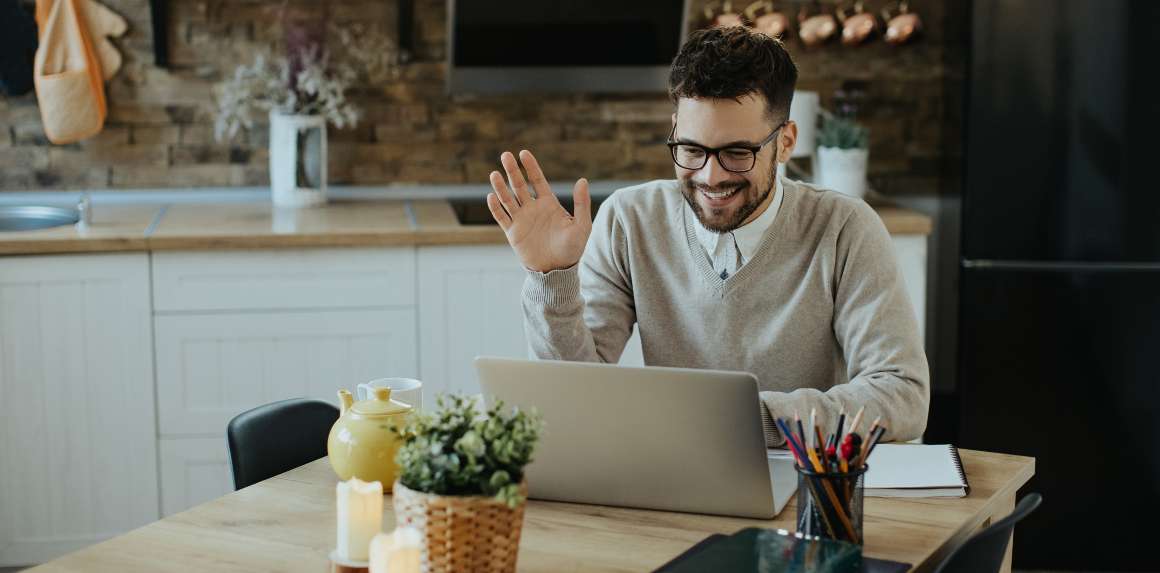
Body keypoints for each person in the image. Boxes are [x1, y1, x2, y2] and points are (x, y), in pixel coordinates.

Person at [484, 26, 928, 446]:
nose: (710, 177)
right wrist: (553, 277)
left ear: (786, 142)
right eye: (691, 150)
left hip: (804, 479)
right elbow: (577, 391)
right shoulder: (629, 219)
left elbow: (902, 394)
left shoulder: (845, 228)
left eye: (737, 152)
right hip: (674, 474)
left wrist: (748, 420)